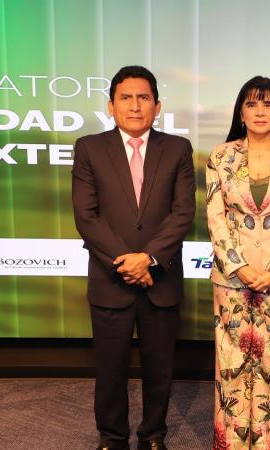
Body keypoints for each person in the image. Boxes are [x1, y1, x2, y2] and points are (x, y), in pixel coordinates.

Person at [72, 65, 196, 450]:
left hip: (161, 279)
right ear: (111, 106)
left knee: (160, 367)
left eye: (144, 98)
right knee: (110, 368)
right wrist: (128, 261)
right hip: (111, 278)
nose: (135, 106)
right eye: (125, 98)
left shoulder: (177, 149)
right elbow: (86, 216)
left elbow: (183, 213)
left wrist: (149, 259)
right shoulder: (89, 148)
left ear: (157, 106)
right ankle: (112, 437)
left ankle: (153, 435)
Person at [206, 76, 270, 449]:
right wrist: (240, 267)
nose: (260, 111)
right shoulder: (221, 156)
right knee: (231, 365)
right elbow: (216, 216)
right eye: (252, 104)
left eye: (267, 104)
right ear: (241, 112)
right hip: (231, 279)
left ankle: (269, 444)